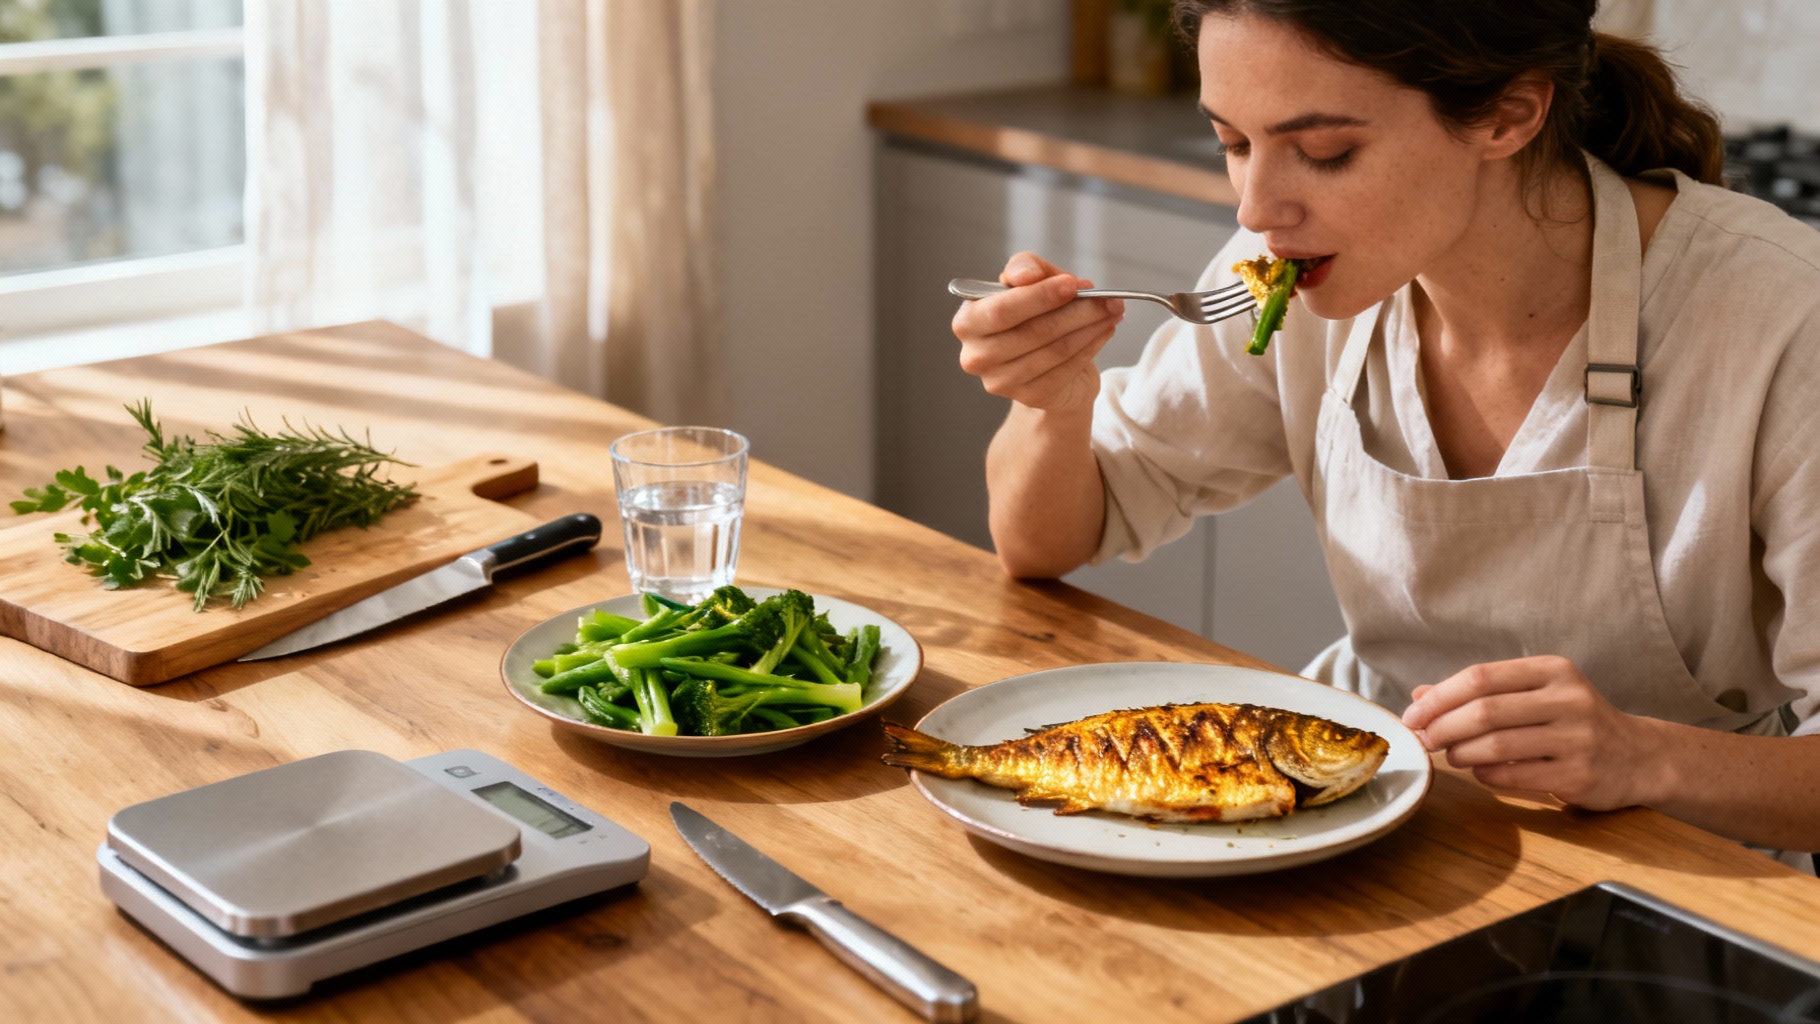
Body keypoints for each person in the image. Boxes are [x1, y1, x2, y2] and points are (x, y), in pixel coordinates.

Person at [950, 0, 1820, 869]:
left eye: (1326, 153)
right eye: (1235, 143)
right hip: (1353, 825)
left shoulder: (1781, 320)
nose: (1256, 210)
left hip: (1684, 877)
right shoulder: (1286, 282)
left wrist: (1643, 756)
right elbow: (1042, 543)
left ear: (1509, 114)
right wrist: (1055, 402)